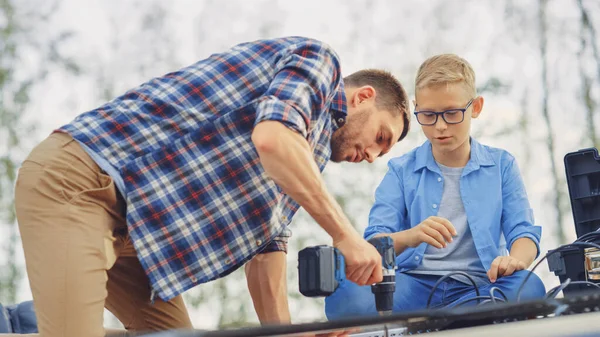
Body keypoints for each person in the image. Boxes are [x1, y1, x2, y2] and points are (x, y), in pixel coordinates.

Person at [14, 36, 410, 337]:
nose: (373, 155)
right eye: (381, 137)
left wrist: (288, 334)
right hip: (84, 181)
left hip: (139, 237)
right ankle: (23, 322)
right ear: (362, 97)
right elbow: (273, 138)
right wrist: (346, 235)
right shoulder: (318, 62)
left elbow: (267, 250)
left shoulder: (307, 159)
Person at [324, 53, 546, 319]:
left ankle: (440, 323)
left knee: (529, 286)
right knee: (344, 294)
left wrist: (515, 260)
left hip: (481, 285)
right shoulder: (401, 170)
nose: (439, 127)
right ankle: (460, 323)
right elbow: (374, 244)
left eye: (452, 113)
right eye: (428, 115)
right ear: (417, 108)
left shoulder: (502, 166)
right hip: (411, 288)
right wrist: (411, 235)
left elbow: (523, 232)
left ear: (475, 107)